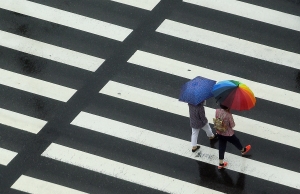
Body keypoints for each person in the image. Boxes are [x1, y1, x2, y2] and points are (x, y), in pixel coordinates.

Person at [216, 104, 251, 169]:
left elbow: (217, 119)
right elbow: (232, 125)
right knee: (236, 141)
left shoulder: (217, 111)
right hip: (228, 134)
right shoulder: (228, 115)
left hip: (219, 132)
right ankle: (243, 150)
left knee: (221, 147)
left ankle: (221, 163)